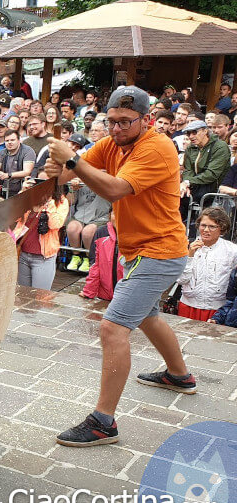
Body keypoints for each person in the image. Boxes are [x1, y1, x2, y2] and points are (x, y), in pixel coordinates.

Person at [45, 86, 193, 447]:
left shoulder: (157, 148)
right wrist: (54, 170)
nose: (116, 129)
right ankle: (179, 376)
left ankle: (103, 423)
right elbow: (74, 171)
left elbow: (112, 189)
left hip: (159, 251)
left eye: (125, 122)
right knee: (146, 315)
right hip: (140, 248)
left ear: (147, 120)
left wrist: (71, 161)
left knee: (112, 328)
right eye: (111, 122)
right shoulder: (113, 142)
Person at [177, 207, 237, 322]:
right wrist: (190, 255)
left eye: (212, 226)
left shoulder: (232, 250)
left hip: (217, 310)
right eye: (203, 225)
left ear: (222, 228)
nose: (206, 230)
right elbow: (181, 280)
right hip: (188, 306)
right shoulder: (186, 246)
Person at [11, 181, 69, 290]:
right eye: (39, 181)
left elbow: (55, 224)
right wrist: (23, 193)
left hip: (43, 258)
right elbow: (14, 216)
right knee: (23, 295)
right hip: (23, 255)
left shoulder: (61, 201)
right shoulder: (30, 198)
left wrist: (50, 203)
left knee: (40, 298)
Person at [179, 120, 231, 232]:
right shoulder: (190, 148)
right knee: (179, 195)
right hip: (195, 188)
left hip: (213, 190)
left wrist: (188, 182)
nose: (191, 136)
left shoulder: (220, 146)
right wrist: (186, 184)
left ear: (205, 131)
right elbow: (188, 170)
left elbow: (211, 174)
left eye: (194, 132)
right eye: (188, 133)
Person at [64, 176, 111, 273]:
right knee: (72, 228)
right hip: (81, 214)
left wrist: (91, 179)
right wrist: (72, 189)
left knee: (87, 232)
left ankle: (88, 258)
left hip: (100, 216)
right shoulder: (80, 177)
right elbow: (69, 201)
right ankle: (76, 256)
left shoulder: (107, 174)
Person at [81, 211, 122, 301]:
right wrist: (89, 291)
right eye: (115, 213)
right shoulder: (101, 232)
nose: (119, 216)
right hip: (104, 295)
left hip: (127, 297)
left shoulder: (135, 235)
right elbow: (94, 264)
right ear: (109, 216)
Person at [0, 129, 36, 197]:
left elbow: (27, 171)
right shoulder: (3, 152)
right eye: (7, 141)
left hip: (23, 190)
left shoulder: (28, 151)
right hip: (5, 190)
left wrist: (8, 175)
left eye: (12, 140)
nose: (9, 142)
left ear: (19, 140)